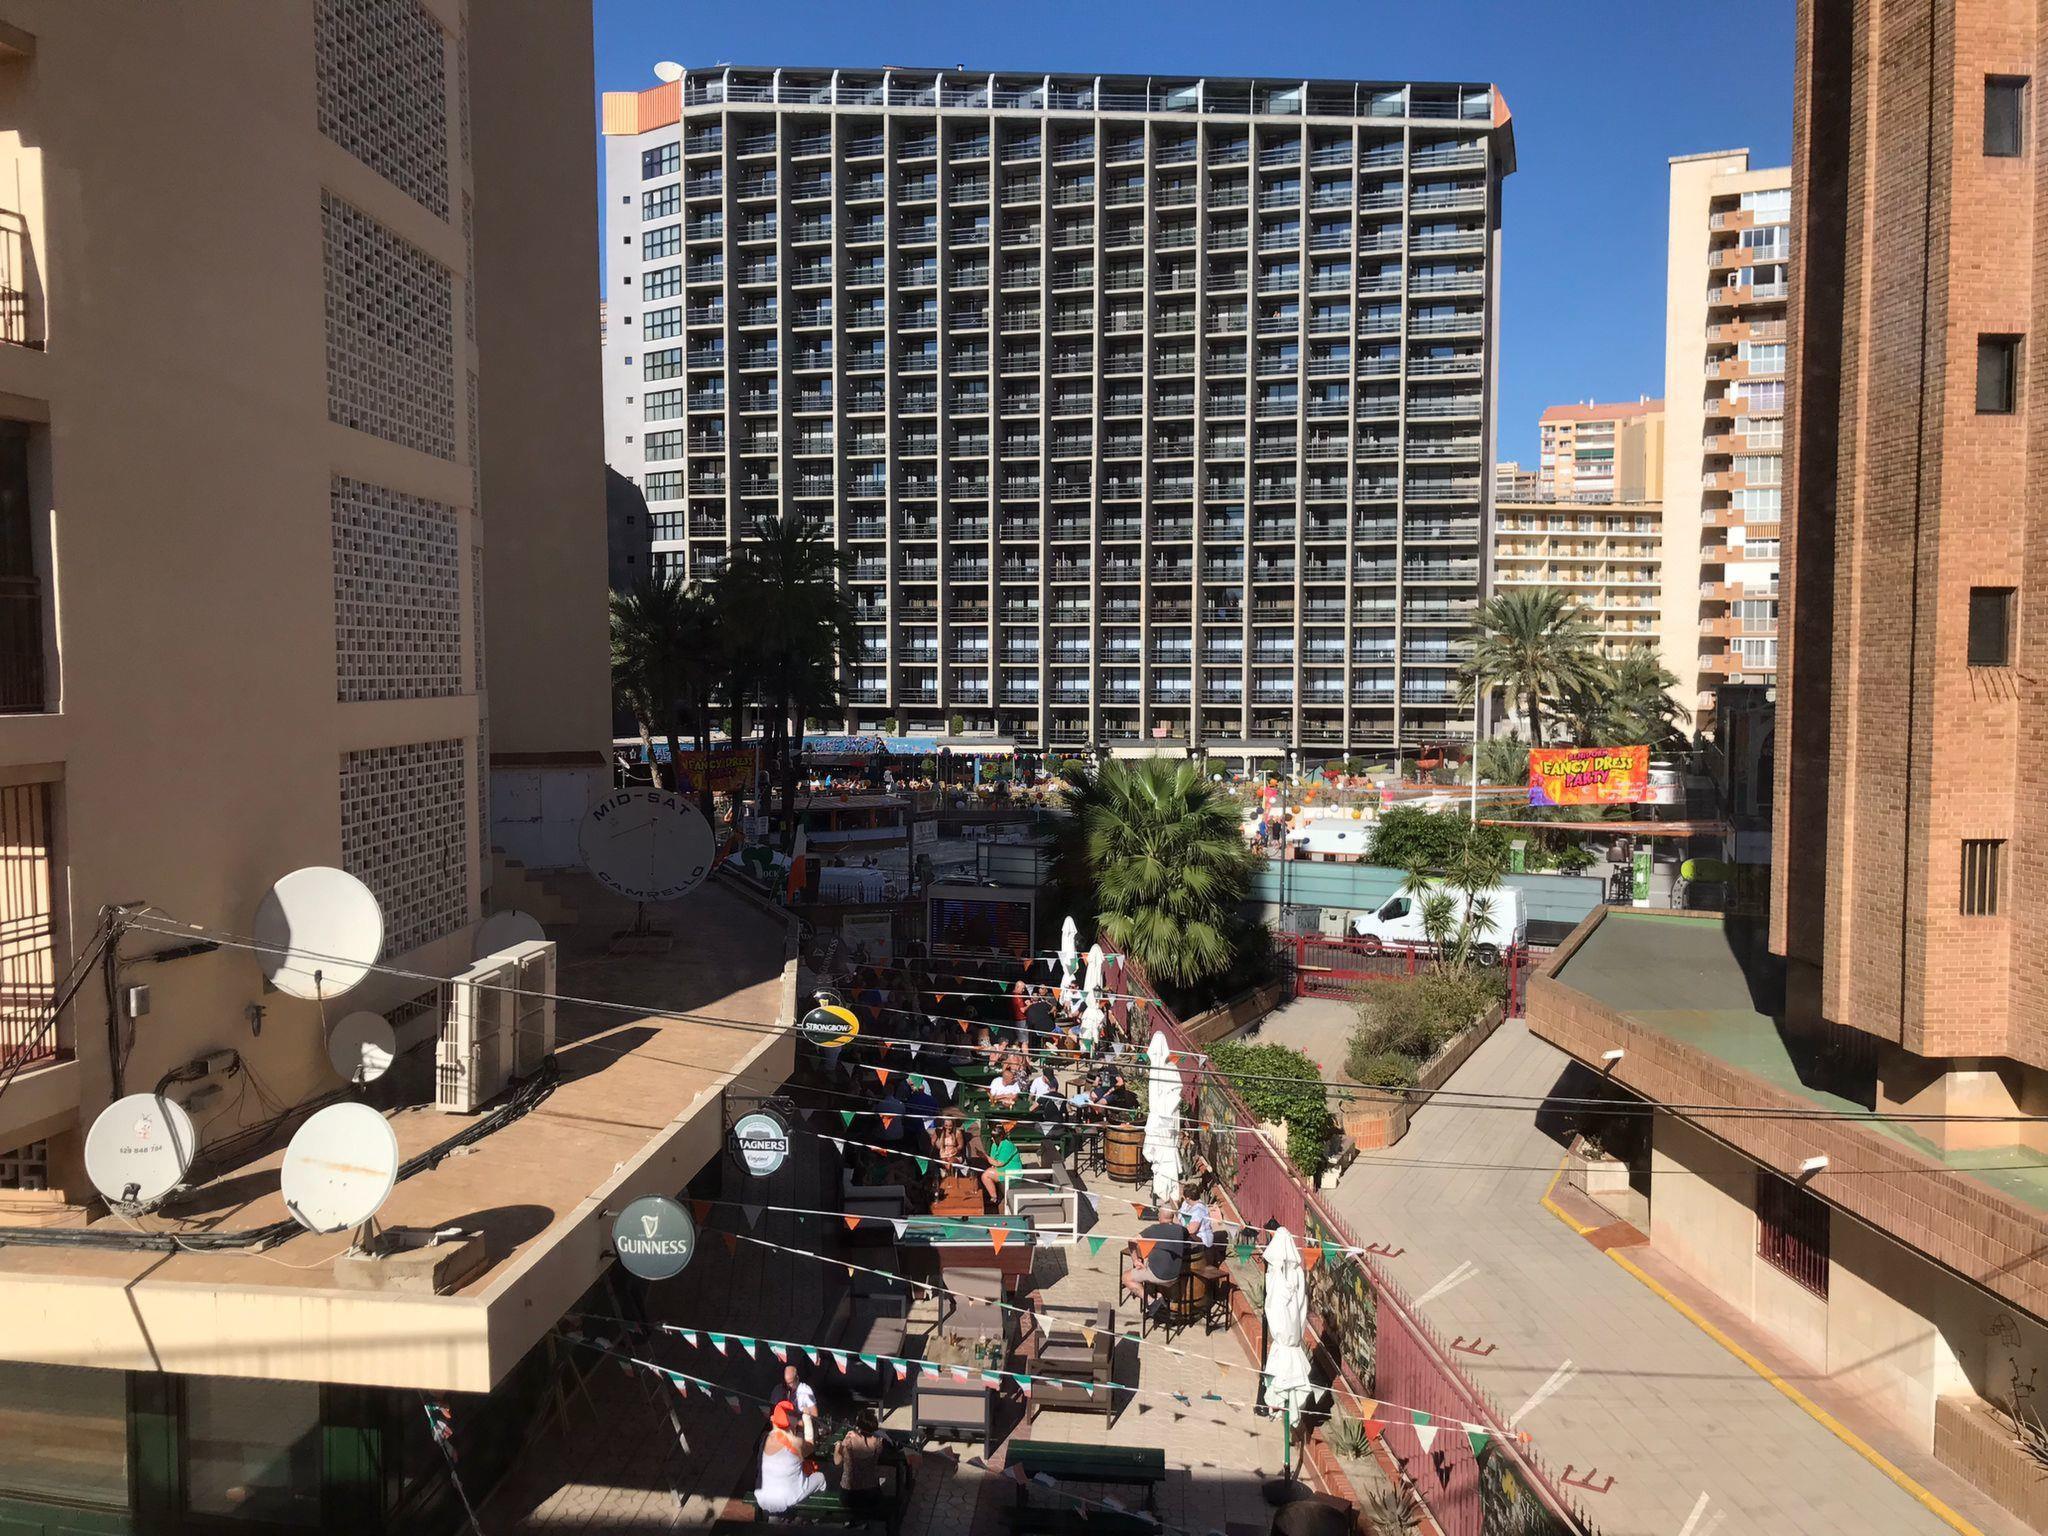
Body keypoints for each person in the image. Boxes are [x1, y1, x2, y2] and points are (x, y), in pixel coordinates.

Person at [755, 1402, 824, 1515]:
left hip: (763, 1497)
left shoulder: (765, 1438)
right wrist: (806, 1419)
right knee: (820, 1477)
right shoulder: (795, 1443)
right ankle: (814, 1514)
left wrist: (797, 1428)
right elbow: (810, 1445)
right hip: (787, 1498)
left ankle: (774, 1517)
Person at [832, 1407, 889, 1521]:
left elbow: (837, 1461)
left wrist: (838, 1445)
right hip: (871, 1494)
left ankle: (853, 1521)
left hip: (849, 1495)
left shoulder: (849, 1441)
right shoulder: (878, 1442)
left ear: (858, 1426)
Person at [980, 1129, 1025, 1207]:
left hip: (1011, 1172)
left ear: (1000, 1137)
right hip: (1002, 1170)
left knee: (986, 1175)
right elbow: (993, 1160)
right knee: (986, 1171)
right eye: (991, 1136)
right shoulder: (994, 1145)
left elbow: (999, 1163)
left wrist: (985, 1157)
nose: (992, 1138)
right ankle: (993, 1195)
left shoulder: (1007, 1145)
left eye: (994, 1136)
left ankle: (994, 1198)